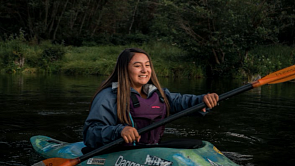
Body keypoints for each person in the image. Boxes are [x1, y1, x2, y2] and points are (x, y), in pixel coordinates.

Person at [83, 48, 219, 149]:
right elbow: (91, 133)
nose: (144, 70)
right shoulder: (108, 96)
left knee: (197, 145)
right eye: (137, 66)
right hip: (119, 152)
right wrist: (120, 130)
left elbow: (182, 102)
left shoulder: (158, 94)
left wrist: (203, 100)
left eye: (147, 65)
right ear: (124, 69)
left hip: (151, 151)